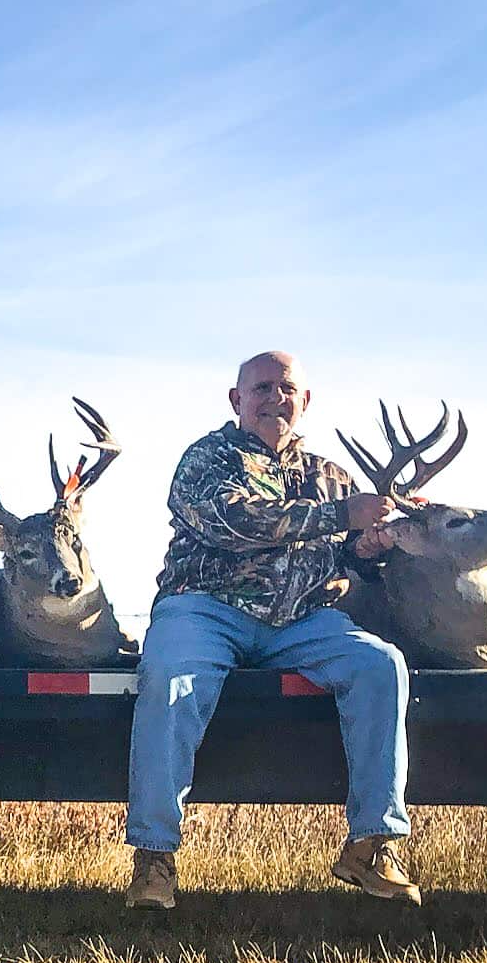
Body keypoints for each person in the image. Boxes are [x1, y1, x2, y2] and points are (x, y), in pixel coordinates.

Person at [125, 350, 413, 910]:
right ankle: (154, 858)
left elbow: (346, 554)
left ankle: (373, 844)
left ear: (305, 401)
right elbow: (234, 520)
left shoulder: (331, 475)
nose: (274, 399)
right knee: (168, 679)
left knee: (382, 666)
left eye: (286, 389)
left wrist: (369, 546)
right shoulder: (208, 458)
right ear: (237, 400)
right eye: (260, 389)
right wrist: (340, 517)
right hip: (204, 609)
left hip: (306, 619)